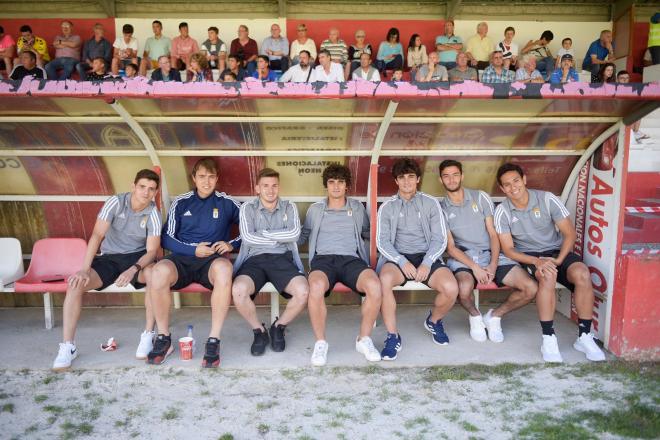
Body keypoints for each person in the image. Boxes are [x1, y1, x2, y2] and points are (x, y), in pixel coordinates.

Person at [494, 163, 606, 363]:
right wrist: (537, 261)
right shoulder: (502, 211)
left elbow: (569, 233)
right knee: (547, 275)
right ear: (502, 189)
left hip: (555, 252)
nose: (513, 187)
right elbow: (509, 249)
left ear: (524, 180)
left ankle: (584, 336)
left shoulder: (546, 199)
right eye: (507, 185)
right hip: (528, 255)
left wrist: (559, 260)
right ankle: (548, 338)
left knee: (582, 273)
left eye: (516, 181)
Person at [51, 169, 161, 371]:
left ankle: (148, 335)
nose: (146, 192)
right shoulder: (116, 202)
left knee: (155, 276)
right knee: (75, 284)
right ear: (133, 186)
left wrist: (132, 269)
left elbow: (152, 251)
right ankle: (68, 346)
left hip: (137, 258)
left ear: (155, 193)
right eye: (142, 187)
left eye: (151, 189)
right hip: (109, 257)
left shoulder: (153, 212)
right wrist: (84, 269)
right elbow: (96, 235)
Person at [146, 158, 241, 367]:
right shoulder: (182, 202)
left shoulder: (227, 202)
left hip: (211, 261)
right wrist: (193, 249)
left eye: (211, 177)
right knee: (158, 271)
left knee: (225, 269)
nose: (206, 182)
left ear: (217, 178)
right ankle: (163, 337)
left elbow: (250, 227)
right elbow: (166, 238)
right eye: (201, 177)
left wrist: (232, 244)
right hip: (182, 258)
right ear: (194, 178)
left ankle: (213, 340)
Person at [438, 160, 536, 343]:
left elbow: (493, 234)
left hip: (491, 254)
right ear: (441, 179)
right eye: (446, 176)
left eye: (455, 174)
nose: (451, 179)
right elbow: (451, 247)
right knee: (463, 288)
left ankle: (494, 317)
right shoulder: (441, 209)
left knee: (530, 288)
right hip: (464, 258)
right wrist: (475, 267)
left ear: (462, 176)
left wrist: (492, 263)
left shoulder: (480, 197)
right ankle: (475, 317)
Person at [299, 164, 382, 366]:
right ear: (326, 185)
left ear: (347, 186)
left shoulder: (356, 208)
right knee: (315, 287)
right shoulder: (316, 209)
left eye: (341, 182)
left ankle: (364, 339)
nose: (336, 186)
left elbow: (367, 232)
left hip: (351, 260)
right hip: (323, 260)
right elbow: (303, 236)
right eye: (332, 182)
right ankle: (320, 343)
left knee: (374, 285)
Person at [377, 158, 458, 360]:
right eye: (402, 178)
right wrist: (401, 261)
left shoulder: (430, 203)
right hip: (398, 258)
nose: (406, 182)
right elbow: (382, 241)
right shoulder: (387, 207)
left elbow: (440, 239)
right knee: (384, 281)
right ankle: (393, 336)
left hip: (427, 256)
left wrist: (427, 262)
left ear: (418, 179)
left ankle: (434, 321)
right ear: (396, 181)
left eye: (411, 177)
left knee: (451, 288)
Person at [231, 168, 309, 356]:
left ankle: (279, 326)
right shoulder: (247, 208)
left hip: (281, 259)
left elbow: (294, 234)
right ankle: (260, 331)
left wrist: (264, 234)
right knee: (238, 291)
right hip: (254, 260)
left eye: (274, 185)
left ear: (279, 187)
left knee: (303, 291)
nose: (270, 190)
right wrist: (277, 237)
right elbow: (248, 238)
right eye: (265, 186)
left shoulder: (289, 207)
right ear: (257, 188)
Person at [617, 70, 650, 142]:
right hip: (617, 109)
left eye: (627, 78)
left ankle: (635, 132)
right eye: (622, 78)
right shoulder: (615, 87)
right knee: (632, 110)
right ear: (618, 79)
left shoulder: (631, 88)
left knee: (639, 109)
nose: (625, 80)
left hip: (628, 108)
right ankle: (631, 133)